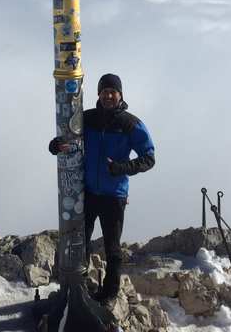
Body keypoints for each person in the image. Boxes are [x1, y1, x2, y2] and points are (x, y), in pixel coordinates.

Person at [49, 73, 156, 301]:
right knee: (81, 243)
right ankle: (81, 289)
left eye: (112, 91)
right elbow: (69, 137)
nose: (108, 95)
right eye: (104, 91)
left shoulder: (130, 123)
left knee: (113, 249)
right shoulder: (87, 118)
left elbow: (149, 158)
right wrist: (56, 144)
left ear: (120, 95)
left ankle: (109, 294)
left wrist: (120, 167)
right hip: (86, 193)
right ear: (98, 94)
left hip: (114, 196)